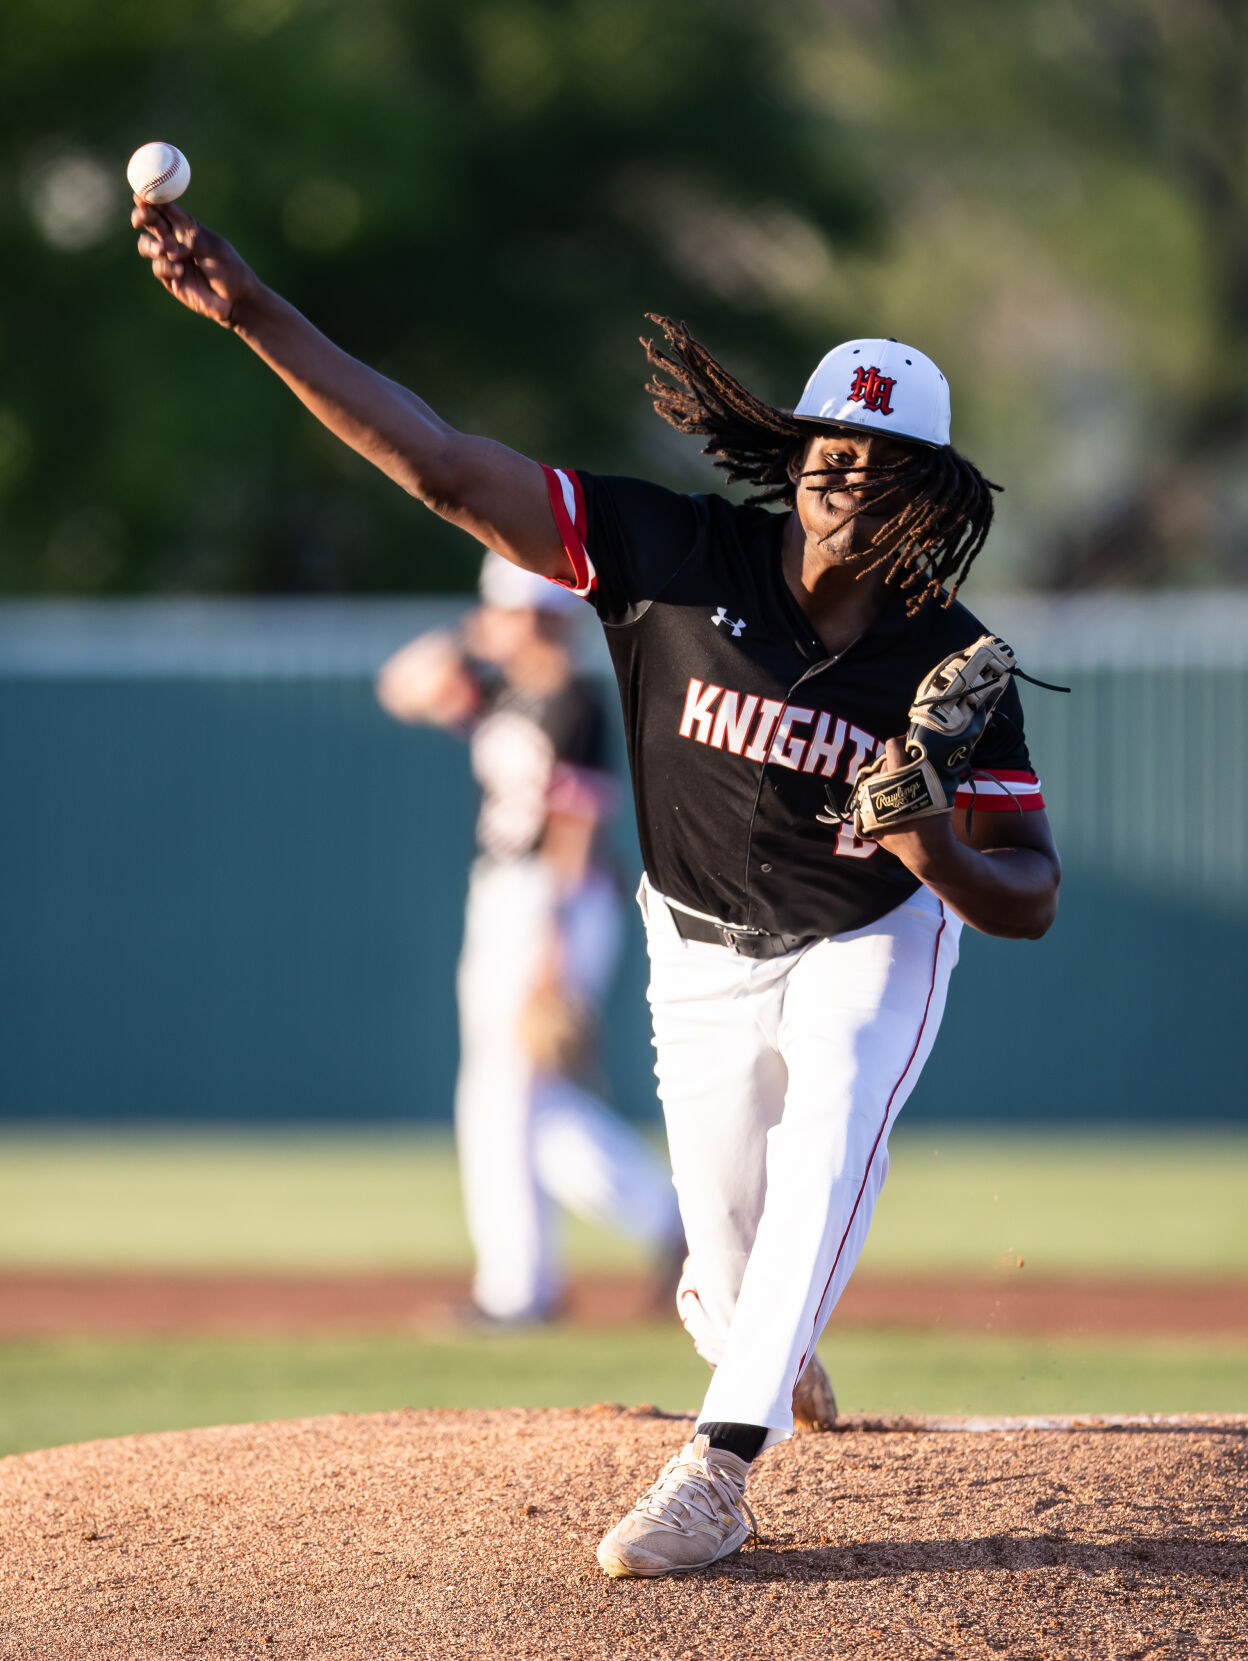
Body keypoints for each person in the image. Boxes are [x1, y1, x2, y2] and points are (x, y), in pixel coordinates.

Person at [132, 201, 1061, 1578]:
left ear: (931, 492)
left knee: (837, 1119)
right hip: (697, 947)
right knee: (738, 1268)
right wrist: (255, 312)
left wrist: (936, 853)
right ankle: (751, 1324)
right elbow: (447, 469)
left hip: (874, 933)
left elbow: (1031, 892)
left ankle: (718, 1467)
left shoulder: (948, 659)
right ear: (794, 458)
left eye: (886, 466)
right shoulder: (674, 555)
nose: (850, 480)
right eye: (831, 453)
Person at [375, 552, 682, 1324]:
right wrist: (473, 639)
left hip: (556, 902)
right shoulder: (505, 690)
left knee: (504, 1094)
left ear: (548, 616)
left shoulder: (573, 699)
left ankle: (521, 1288)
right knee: (524, 1101)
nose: (508, 621)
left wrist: (550, 945)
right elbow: (402, 685)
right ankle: (673, 1224)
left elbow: (576, 827)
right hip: (502, 895)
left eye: (518, 610)